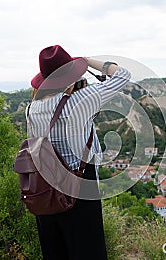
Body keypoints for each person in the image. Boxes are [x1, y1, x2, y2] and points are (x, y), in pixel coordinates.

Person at [27, 45, 131, 260]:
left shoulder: (32, 108)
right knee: (88, 250)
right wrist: (88, 60)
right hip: (79, 185)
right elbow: (122, 75)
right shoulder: (82, 100)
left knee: (54, 251)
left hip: (45, 188)